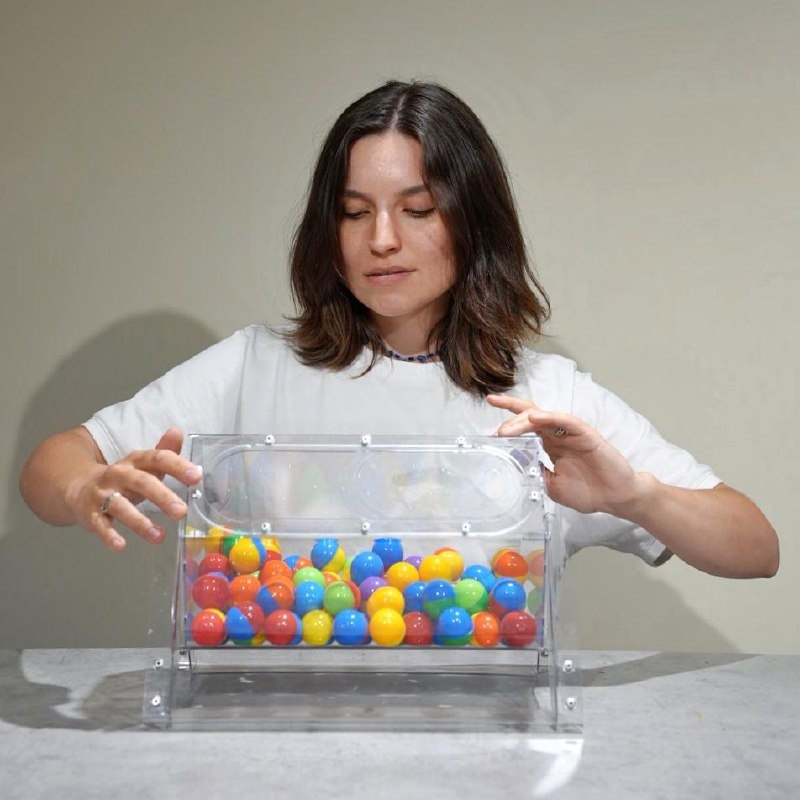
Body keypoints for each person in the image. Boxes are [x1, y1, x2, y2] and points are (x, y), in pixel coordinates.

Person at [19, 80, 778, 579]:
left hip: (485, 742)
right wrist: (85, 485)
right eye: (355, 213)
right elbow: (52, 466)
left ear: (473, 223)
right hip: (274, 733)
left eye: (418, 211)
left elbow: (756, 547)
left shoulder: (544, 399)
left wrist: (635, 496)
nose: (382, 240)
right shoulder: (255, 367)